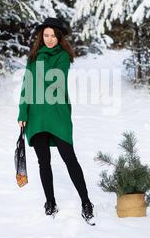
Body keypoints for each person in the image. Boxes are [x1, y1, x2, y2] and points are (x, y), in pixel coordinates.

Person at [17, 17, 95, 225]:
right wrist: (22, 114)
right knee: (44, 162)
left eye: (53, 36)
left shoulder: (62, 57)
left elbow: (54, 79)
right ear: (41, 37)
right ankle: (50, 202)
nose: (49, 39)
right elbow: (27, 86)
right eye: (46, 35)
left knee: (70, 159)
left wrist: (38, 74)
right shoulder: (33, 58)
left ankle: (86, 201)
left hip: (58, 115)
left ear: (59, 38)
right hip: (36, 116)